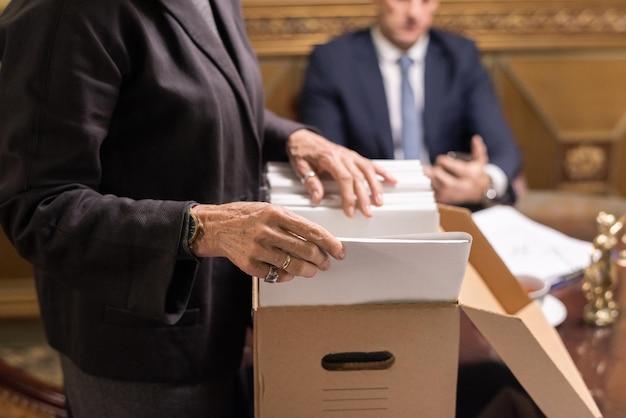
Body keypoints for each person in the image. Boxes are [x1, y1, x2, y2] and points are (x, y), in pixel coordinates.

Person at [0, 0, 396, 416]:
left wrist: (292, 137)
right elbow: (37, 209)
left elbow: (201, 100)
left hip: (221, 321)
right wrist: (202, 229)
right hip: (139, 349)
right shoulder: (63, 12)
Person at [299, 0, 524, 209]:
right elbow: (326, 155)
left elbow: (503, 148)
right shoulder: (333, 60)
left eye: (425, 1)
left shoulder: (460, 56)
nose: (414, 13)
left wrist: (484, 182)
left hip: (450, 207)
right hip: (371, 206)